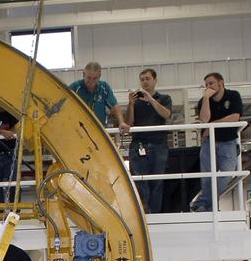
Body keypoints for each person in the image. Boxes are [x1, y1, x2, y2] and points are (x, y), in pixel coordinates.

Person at [188, 72, 243, 212]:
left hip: (228, 142)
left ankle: (201, 202)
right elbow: (205, 120)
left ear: (221, 83)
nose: (208, 86)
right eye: (206, 84)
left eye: (211, 83)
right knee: (207, 178)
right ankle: (208, 208)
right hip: (209, 143)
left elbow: (234, 117)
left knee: (225, 175)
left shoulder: (233, 96)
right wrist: (206, 98)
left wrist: (212, 126)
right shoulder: (203, 101)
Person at [124, 69, 174, 214]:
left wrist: (151, 100)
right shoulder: (136, 102)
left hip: (159, 145)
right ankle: (144, 214)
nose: (145, 82)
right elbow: (129, 123)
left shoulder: (164, 98)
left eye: (147, 79)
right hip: (139, 144)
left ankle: (155, 214)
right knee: (140, 182)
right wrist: (131, 104)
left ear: (154, 80)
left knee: (157, 182)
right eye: (142, 79)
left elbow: (167, 114)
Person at [68, 62, 129, 133]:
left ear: (99, 76)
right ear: (83, 74)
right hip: (79, 130)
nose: (91, 81)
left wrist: (121, 122)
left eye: (94, 78)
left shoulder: (104, 87)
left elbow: (115, 106)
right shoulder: (75, 87)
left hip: (99, 131)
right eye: (89, 78)